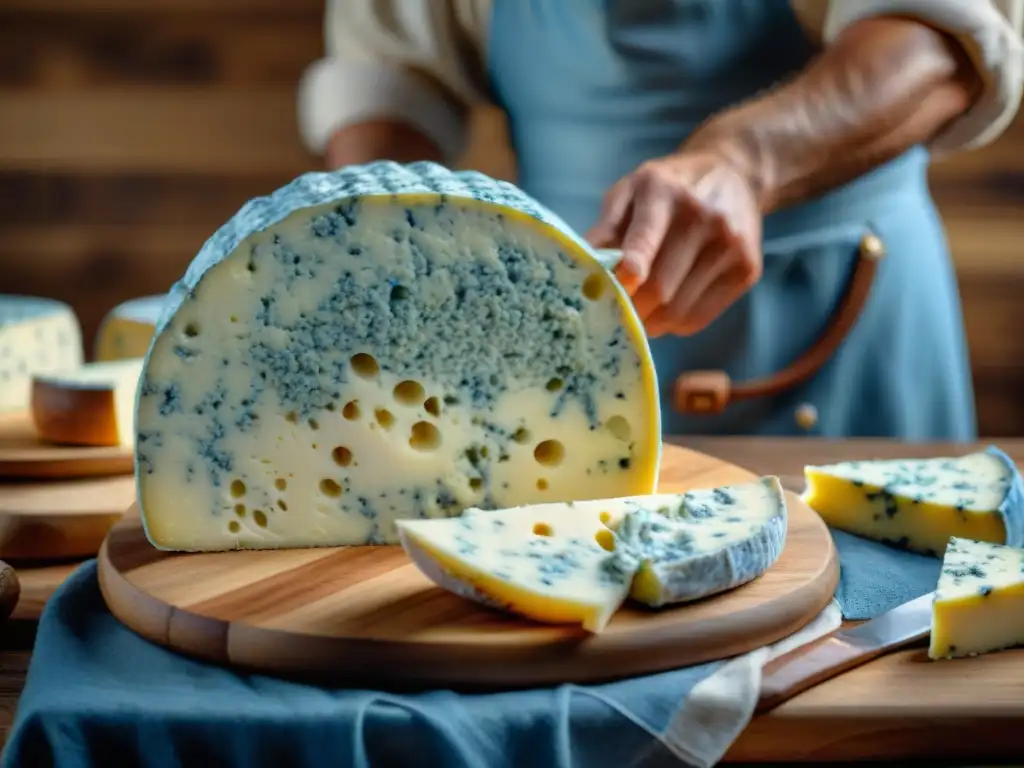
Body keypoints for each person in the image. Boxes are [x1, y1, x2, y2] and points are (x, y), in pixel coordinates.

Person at [297, 0, 1023, 439]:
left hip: (850, 326)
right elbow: (390, 80)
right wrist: (382, 233)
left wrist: (746, 161)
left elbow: (939, 39)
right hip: (562, 347)